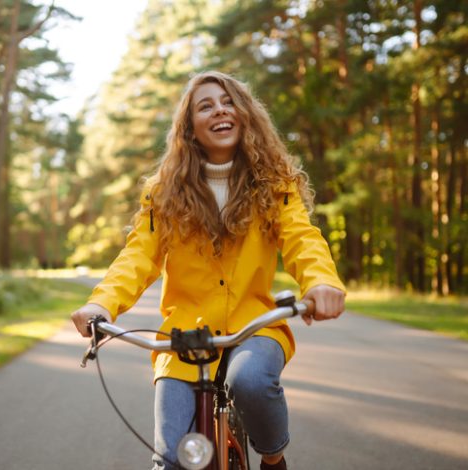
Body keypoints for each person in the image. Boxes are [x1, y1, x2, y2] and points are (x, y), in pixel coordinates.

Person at [72, 71, 346, 470]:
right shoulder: (164, 192)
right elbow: (138, 257)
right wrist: (102, 304)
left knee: (250, 381)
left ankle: (273, 459)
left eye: (228, 101)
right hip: (184, 337)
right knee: (169, 461)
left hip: (254, 327)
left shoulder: (275, 184)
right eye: (206, 105)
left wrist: (321, 282)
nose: (220, 109)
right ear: (190, 129)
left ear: (244, 114)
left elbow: (302, 239)